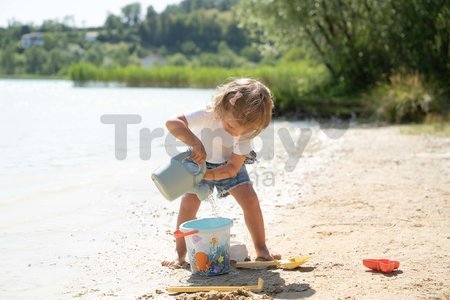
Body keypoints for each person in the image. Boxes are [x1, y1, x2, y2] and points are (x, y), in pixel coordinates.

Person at [161, 78, 280, 268]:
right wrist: (194, 143)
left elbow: (233, 167)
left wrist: (209, 176)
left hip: (229, 164)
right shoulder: (208, 114)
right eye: (232, 127)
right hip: (198, 163)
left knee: (250, 200)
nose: (236, 133)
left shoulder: (245, 133)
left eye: (244, 131)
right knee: (188, 205)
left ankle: (261, 249)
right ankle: (180, 252)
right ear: (224, 105)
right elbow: (172, 123)